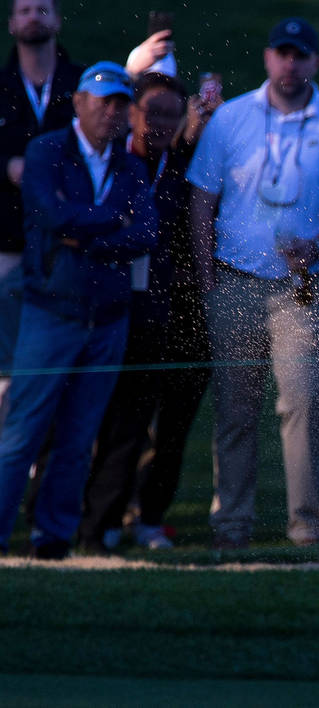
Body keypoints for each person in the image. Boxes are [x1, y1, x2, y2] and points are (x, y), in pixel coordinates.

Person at [187, 18, 319, 548]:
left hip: (305, 285)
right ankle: (232, 527)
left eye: (301, 55)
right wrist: (207, 278)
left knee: (303, 404)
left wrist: (318, 244)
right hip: (233, 280)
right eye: (282, 53)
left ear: (315, 62)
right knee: (234, 409)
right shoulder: (231, 119)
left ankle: (306, 527)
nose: (290, 64)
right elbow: (202, 198)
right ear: (269, 58)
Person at [0, 62, 156, 559]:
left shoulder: (131, 164)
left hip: (107, 317)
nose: (112, 111)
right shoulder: (46, 151)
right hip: (51, 312)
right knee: (23, 431)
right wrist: (112, 223)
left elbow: (145, 233)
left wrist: (87, 237)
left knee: (78, 437)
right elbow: (50, 215)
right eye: (104, 101)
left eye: (120, 103)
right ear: (81, 103)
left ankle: (53, 539)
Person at [78, 72, 216, 553]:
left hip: (184, 314)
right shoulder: (117, 165)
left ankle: (151, 517)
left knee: (175, 425)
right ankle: (105, 519)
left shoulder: (185, 166)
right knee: (123, 424)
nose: (159, 121)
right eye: (151, 110)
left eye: (169, 113)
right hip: (129, 311)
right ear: (132, 112)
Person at [0, 0, 82, 426]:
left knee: (59, 361)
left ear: (58, 19)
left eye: (43, 8)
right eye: (25, 9)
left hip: (68, 245)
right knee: (5, 364)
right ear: (12, 23)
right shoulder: (0, 85)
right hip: (8, 242)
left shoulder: (81, 86)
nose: (34, 16)